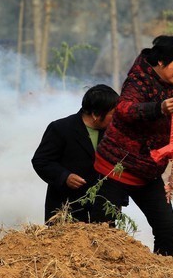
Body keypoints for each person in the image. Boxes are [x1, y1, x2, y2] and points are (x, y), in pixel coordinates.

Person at [91, 35, 173, 257]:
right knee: (104, 229)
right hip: (117, 167)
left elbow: (171, 126)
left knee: (166, 230)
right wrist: (158, 108)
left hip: (148, 171)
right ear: (162, 62)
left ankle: (161, 276)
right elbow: (124, 109)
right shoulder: (137, 80)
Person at [32, 84, 120, 223]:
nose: (116, 119)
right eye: (112, 114)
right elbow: (41, 161)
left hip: (102, 211)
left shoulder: (114, 133)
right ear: (96, 114)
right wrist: (64, 176)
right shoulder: (61, 129)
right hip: (66, 209)